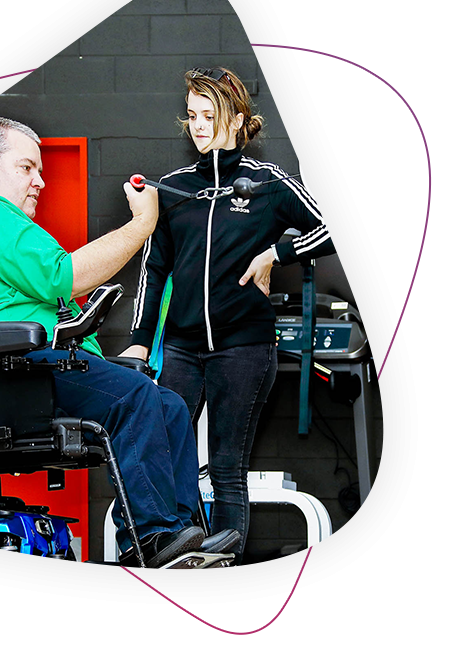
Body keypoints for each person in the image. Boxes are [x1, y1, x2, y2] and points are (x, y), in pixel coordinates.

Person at [0, 116, 239, 568]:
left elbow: (55, 293)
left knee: (167, 404)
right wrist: (142, 225)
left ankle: (179, 538)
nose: (40, 180)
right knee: (135, 399)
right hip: (8, 370)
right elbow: (63, 276)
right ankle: (151, 539)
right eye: (27, 167)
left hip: (27, 365)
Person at [121, 67, 335, 564]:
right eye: (192, 115)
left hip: (244, 347)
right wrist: (138, 338)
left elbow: (326, 228)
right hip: (179, 348)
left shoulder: (268, 183)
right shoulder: (171, 189)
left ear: (237, 119)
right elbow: (154, 269)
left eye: (209, 116)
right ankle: (185, 555)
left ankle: (225, 564)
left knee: (225, 466)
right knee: (166, 455)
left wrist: (275, 254)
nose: (197, 126)